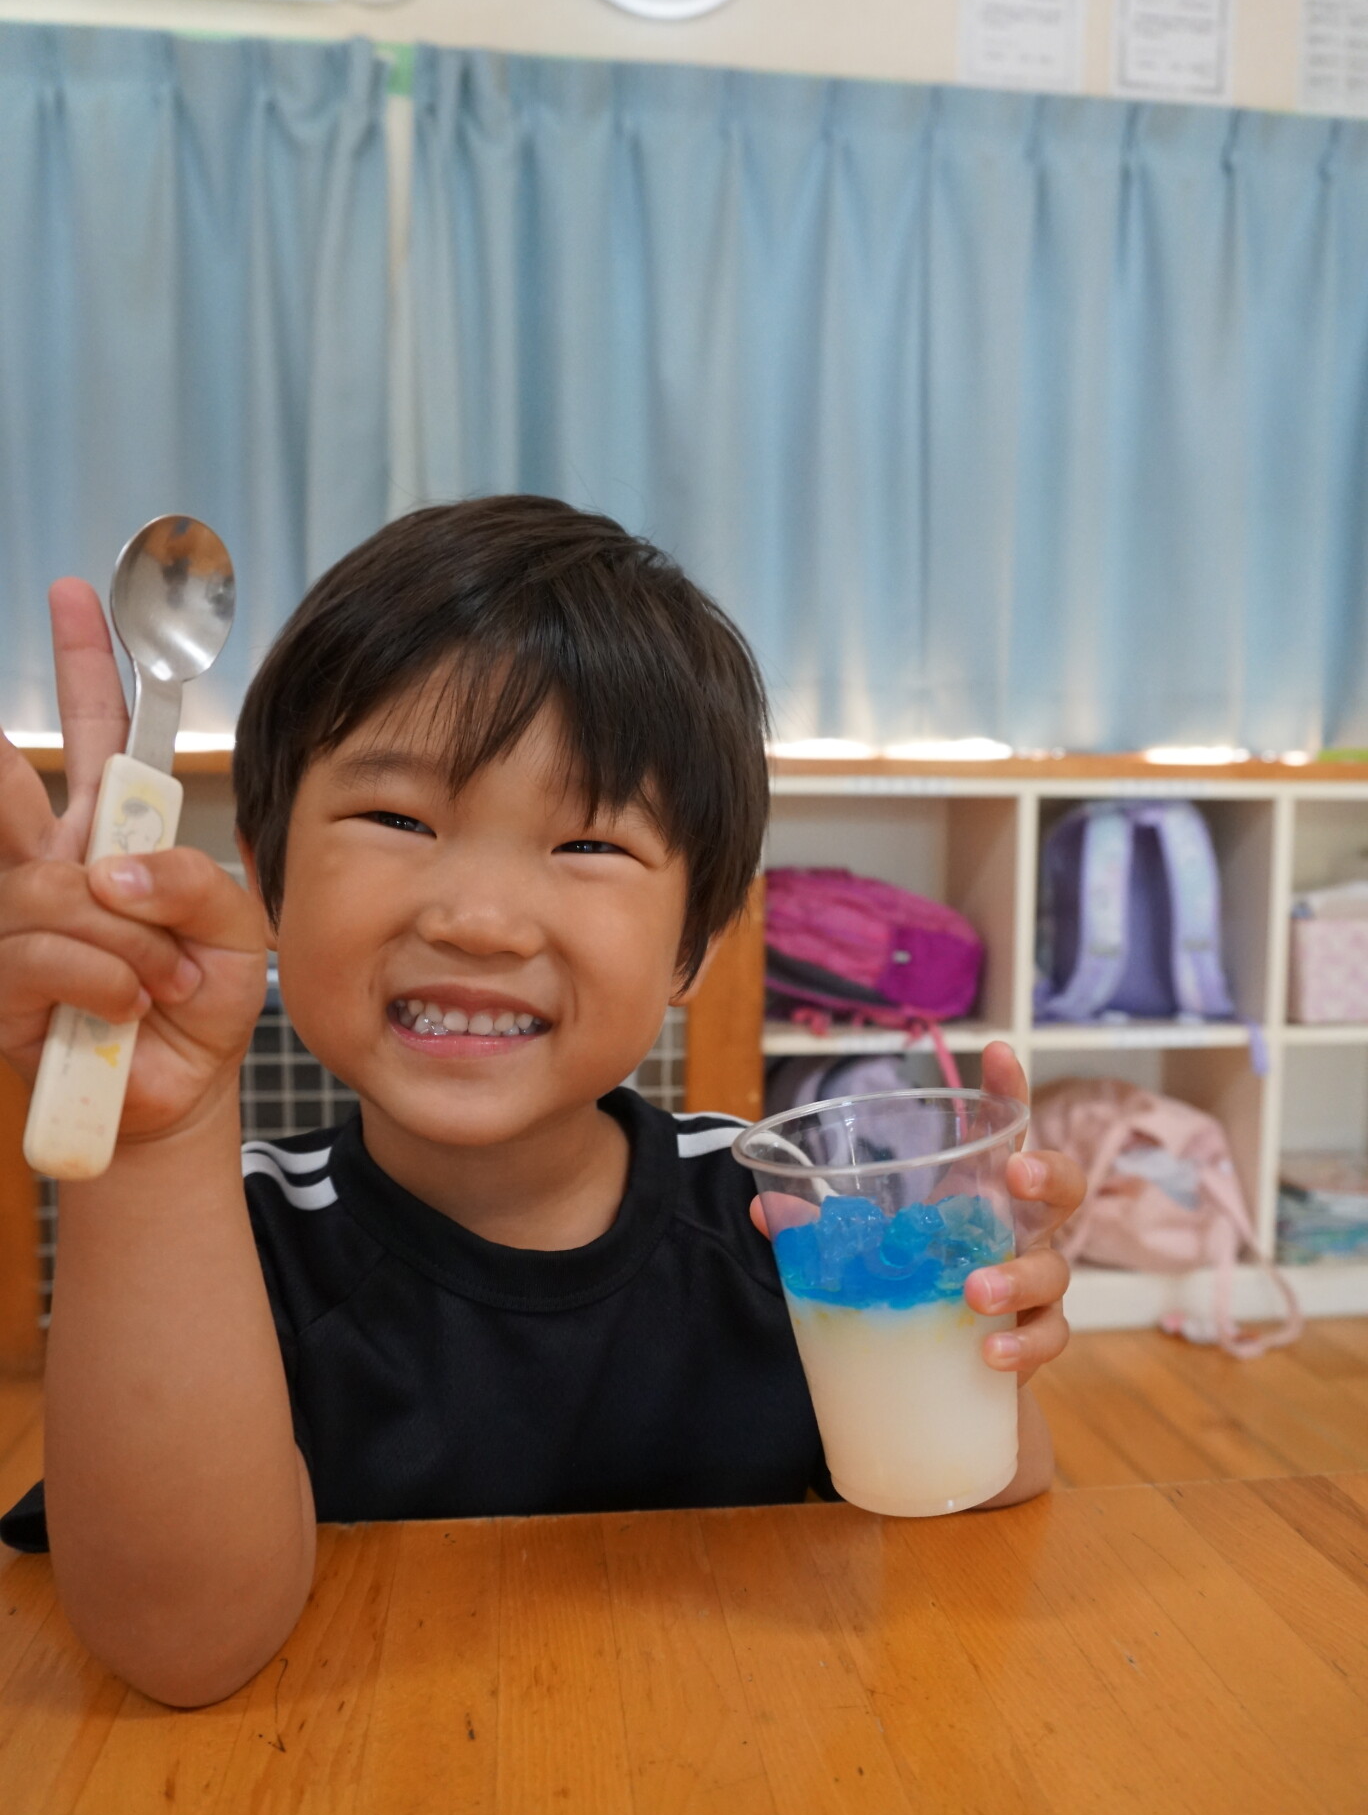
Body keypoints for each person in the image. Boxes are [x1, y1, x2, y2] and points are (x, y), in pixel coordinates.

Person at [0, 498, 1082, 1707]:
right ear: (267, 878)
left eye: (586, 845)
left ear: (695, 942)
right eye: (397, 818)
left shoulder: (779, 1220)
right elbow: (181, 1643)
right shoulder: (220, 1242)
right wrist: (153, 1142)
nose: (479, 918)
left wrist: (977, 1345)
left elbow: (969, 1498)